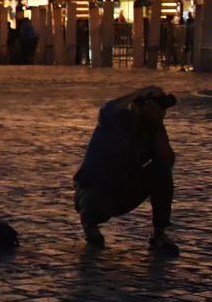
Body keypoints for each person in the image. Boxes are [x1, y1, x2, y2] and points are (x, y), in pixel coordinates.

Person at [75, 87, 180, 258]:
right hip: (93, 189)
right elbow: (107, 108)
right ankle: (89, 224)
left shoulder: (153, 129)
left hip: (123, 188)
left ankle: (159, 234)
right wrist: (139, 93)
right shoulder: (117, 120)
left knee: (160, 172)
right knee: (97, 204)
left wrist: (158, 126)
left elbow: (167, 162)